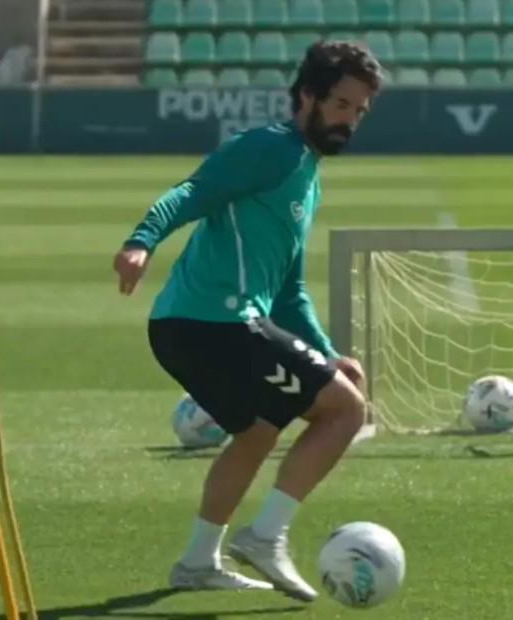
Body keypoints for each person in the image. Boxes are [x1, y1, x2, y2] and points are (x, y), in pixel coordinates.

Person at [113, 41, 382, 602]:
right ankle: (265, 537)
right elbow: (194, 190)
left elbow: (289, 291)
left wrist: (327, 352)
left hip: (190, 326)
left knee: (258, 432)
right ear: (307, 95)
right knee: (345, 410)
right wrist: (142, 241)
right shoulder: (269, 148)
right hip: (218, 323)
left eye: (359, 111)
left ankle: (197, 562)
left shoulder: (307, 173)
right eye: (340, 104)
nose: (349, 120)